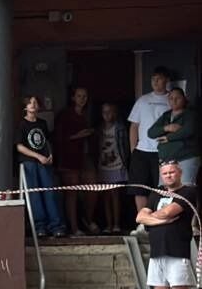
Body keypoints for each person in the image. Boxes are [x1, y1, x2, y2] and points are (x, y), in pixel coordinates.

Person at [135, 161, 199, 289]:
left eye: (172, 172)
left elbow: (168, 212)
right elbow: (139, 217)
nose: (169, 176)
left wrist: (153, 218)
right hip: (157, 253)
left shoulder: (187, 192)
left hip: (177, 251)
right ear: (161, 176)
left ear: (179, 173)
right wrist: (159, 220)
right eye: (165, 173)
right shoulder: (156, 194)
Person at [17, 95, 67, 238]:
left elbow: (47, 141)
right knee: (34, 194)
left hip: (44, 162)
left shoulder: (42, 123)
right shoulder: (22, 124)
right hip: (29, 163)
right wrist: (38, 156)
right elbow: (19, 146)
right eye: (30, 102)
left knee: (49, 192)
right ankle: (40, 227)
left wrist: (50, 154)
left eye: (35, 102)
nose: (33, 105)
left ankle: (56, 225)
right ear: (25, 107)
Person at [53, 87, 99, 235]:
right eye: (79, 96)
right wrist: (79, 135)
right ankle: (74, 228)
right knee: (71, 193)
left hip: (86, 156)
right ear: (73, 97)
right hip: (69, 158)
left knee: (93, 188)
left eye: (85, 96)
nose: (82, 99)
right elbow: (58, 138)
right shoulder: (65, 115)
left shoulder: (89, 114)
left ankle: (87, 219)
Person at [128, 66, 172, 213]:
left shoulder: (172, 99)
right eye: (153, 79)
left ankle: (160, 219)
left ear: (166, 80)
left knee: (162, 188)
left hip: (163, 152)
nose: (155, 82)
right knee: (139, 188)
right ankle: (143, 221)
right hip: (141, 151)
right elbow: (134, 126)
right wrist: (133, 149)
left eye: (159, 79)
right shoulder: (143, 100)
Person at [148, 87, 198, 185]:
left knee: (185, 188)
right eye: (171, 98)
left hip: (185, 158)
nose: (174, 101)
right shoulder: (166, 115)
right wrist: (166, 128)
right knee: (165, 190)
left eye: (177, 98)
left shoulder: (190, 114)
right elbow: (151, 133)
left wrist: (168, 138)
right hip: (166, 161)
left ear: (184, 98)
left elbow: (188, 131)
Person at [95, 102, 131, 234]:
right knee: (105, 196)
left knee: (115, 195)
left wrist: (126, 161)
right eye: (104, 112)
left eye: (109, 112)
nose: (107, 115)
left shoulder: (120, 127)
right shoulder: (99, 129)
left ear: (115, 113)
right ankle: (108, 225)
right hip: (103, 165)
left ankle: (116, 224)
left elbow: (126, 146)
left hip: (117, 164)